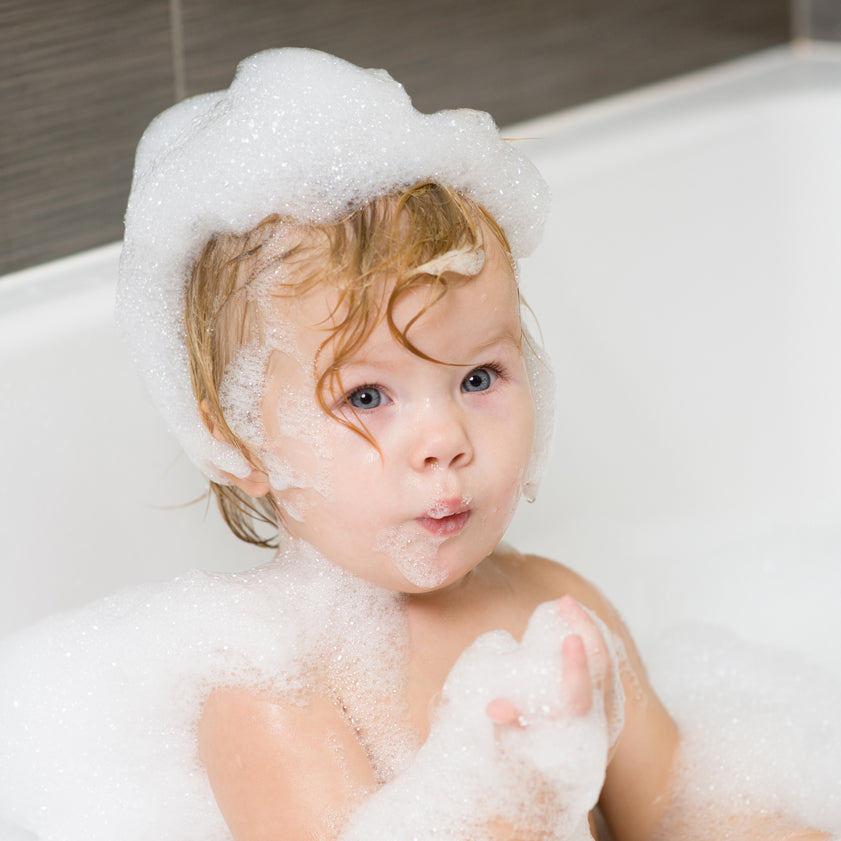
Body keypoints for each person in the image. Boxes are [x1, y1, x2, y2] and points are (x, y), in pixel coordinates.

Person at [115, 48, 831, 841]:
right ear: (241, 442)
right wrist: (511, 804)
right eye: (367, 396)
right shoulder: (273, 689)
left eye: (479, 377)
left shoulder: (556, 608)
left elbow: (681, 808)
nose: (444, 440)